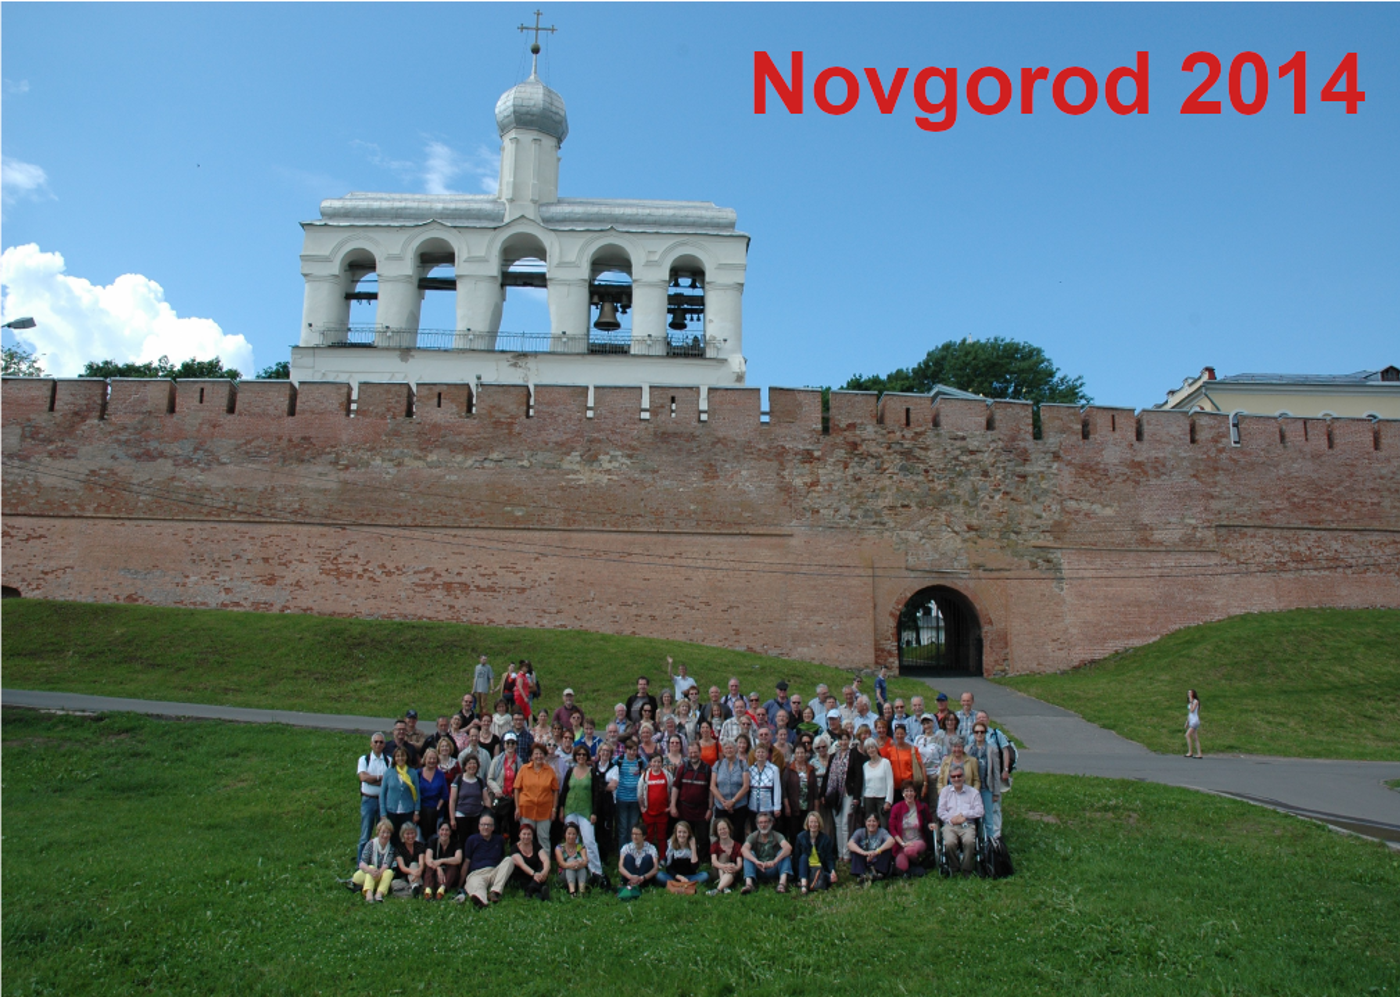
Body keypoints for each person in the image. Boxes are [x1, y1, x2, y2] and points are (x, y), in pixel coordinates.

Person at [558, 742, 605, 882]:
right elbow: (564, 791)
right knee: (572, 840)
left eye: (584, 755)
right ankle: (574, 869)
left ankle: (596, 871)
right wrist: (561, 808)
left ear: (587, 756)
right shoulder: (570, 771)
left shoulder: (592, 772)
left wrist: (594, 812)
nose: (581, 757)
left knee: (589, 841)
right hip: (570, 809)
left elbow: (596, 794)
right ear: (575, 756)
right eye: (578, 754)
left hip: (586, 810)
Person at [936, 763, 984, 875]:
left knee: (969, 841)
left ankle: (966, 868)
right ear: (950, 778)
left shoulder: (973, 792)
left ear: (964, 777)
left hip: (967, 824)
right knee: (949, 842)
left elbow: (980, 811)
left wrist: (964, 815)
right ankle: (954, 866)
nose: (956, 779)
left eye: (959, 776)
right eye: (953, 776)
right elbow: (940, 811)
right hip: (950, 824)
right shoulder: (945, 792)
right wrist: (952, 819)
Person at [459, 813, 514, 906]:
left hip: (493, 872)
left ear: (493, 827)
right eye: (483, 825)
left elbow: (502, 857)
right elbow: (467, 862)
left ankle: (495, 891)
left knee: (509, 860)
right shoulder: (472, 840)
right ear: (479, 827)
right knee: (477, 886)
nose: (486, 827)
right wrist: (460, 884)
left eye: (489, 825)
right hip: (477, 873)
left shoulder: (499, 839)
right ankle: (481, 901)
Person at [514, 743, 560, 855]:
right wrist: (517, 808)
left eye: (541, 754)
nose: (538, 756)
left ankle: (545, 863)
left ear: (544, 756)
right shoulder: (524, 769)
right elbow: (516, 789)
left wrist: (554, 809)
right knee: (526, 837)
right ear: (532, 756)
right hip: (526, 810)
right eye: (536, 754)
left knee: (543, 837)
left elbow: (555, 790)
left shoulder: (550, 771)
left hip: (544, 811)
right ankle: (525, 860)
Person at [673, 741, 713, 860]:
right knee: (685, 835)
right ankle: (686, 857)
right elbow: (676, 787)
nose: (693, 755)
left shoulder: (707, 769)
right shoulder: (682, 768)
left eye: (695, 752)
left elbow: (711, 790)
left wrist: (710, 808)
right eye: (691, 753)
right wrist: (673, 805)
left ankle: (703, 860)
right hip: (684, 809)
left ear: (700, 753)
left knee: (703, 837)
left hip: (702, 809)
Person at [356, 732, 390, 865]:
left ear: (384, 745)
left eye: (381, 742)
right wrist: (380, 778)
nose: (378, 744)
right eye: (376, 742)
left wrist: (372, 779)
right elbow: (363, 778)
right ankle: (360, 865)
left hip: (383, 802)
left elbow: (388, 781)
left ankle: (379, 863)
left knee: (382, 833)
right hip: (368, 800)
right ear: (371, 744)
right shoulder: (364, 759)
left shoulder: (389, 760)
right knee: (365, 834)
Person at [824, 730, 859, 860]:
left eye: (845, 739)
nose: (843, 742)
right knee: (837, 823)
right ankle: (840, 854)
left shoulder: (853, 755)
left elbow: (858, 776)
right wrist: (823, 794)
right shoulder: (833, 756)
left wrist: (857, 796)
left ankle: (847, 853)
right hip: (835, 794)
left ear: (849, 741)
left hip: (848, 793)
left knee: (845, 823)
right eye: (841, 739)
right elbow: (827, 775)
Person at [740, 811, 793, 894]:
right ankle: (749, 885)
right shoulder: (753, 836)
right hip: (759, 868)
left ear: (771, 823)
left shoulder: (777, 835)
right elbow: (744, 849)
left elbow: (788, 848)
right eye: (761, 823)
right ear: (757, 824)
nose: (763, 825)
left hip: (773, 868)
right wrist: (756, 861)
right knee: (749, 854)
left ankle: (782, 884)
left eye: (765, 822)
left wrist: (775, 861)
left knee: (784, 854)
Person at [888, 781, 931, 877]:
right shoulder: (896, 808)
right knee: (901, 867)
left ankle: (916, 862)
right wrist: (903, 844)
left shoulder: (922, 806)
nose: (909, 794)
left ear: (915, 793)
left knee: (909, 851)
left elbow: (929, 821)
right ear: (903, 793)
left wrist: (931, 825)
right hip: (903, 844)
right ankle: (915, 865)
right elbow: (892, 828)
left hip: (918, 840)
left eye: (911, 791)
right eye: (906, 791)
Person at [969, 722, 1004, 839]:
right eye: (976, 732)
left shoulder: (992, 750)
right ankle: (975, 841)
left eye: (982, 732)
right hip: (972, 789)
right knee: (972, 818)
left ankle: (990, 842)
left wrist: (996, 792)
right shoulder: (968, 749)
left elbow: (996, 772)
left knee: (988, 818)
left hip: (986, 788)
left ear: (985, 733)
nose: (979, 734)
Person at [711, 738, 751, 840]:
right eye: (726, 748)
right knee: (722, 835)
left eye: (731, 748)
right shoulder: (718, 764)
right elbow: (712, 786)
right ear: (723, 751)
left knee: (738, 835)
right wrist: (724, 802)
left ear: (736, 749)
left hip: (739, 806)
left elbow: (746, 786)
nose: (729, 750)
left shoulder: (743, 764)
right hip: (721, 807)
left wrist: (733, 801)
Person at [486, 731, 521, 841]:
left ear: (516, 745)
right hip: (499, 798)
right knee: (497, 826)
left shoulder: (519, 762)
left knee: (513, 827)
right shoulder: (496, 760)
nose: (510, 745)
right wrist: (497, 790)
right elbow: (490, 778)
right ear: (504, 744)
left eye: (513, 743)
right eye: (508, 743)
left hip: (512, 799)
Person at [449, 753, 491, 840]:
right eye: (469, 763)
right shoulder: (458, 780)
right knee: (463, 841)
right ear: (465, 766)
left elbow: (486, 799)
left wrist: (488, 815)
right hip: (461, 816)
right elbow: (452, 801)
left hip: (477, 816)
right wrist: (452, 819)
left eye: (474, 763)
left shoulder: (480, 782)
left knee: (476, 840)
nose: (472, 766)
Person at [658, 820, 709, 890]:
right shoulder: (671, 846)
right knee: (659, 875)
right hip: (675, 877)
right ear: (676, 833)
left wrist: (693, 848)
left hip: (689, 877)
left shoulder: (693, 846)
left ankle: (676, 886)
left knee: (705, 875)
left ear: (688, 833)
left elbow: (695, 867)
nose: (682, 835)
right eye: (679, 832)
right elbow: (669, 868)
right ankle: (685, 886)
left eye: (684, 832)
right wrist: (680, 877)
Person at [380, 746, 420, 836]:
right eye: (398, 756)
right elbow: (382, 794)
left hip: (408, 811)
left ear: (406, 757)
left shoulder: (412, 773)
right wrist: (383, 814)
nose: (400, 758)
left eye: (402, 756)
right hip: (391, 811)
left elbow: (417, 793)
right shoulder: (388, 773)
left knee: (406, 835)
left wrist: (416, 812)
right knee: (392, 836)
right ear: (394, 758)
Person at [354, 818, 396, 903]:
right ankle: (369, 895)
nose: (385, 835)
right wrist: (371, 870)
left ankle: (379, 894)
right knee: (371, 867)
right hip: (364, 874)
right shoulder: (371, 844)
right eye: (383, 832)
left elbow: (386, 865)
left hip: (379, 876)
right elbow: (362, 864)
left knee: (389, 872)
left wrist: (378, 873)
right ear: (378, 833)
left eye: (388, 832)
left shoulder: (391, 848)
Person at [782, 744, 817, 844]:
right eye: (797, 753)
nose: (800, 755)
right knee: (794, 833)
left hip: (807, 806)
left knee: (806, 831)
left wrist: (816, 808)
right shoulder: (789, 769)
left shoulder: (811, 769)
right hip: (793, 806)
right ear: (794, 754)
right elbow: (784, 789)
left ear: (806, 754)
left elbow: (815, 789)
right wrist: (787, 806)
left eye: (802, 753)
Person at [794, 810, 836, 894]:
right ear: (807, 823)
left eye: (815, 822)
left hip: (820, 868)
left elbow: (829, 858)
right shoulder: (800, 837)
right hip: (805, 867)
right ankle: (804, 885)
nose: (813, 824)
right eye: (811, 822)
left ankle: (807, 882)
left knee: (831, 879)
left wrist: (832, 871)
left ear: (819, 823)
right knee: (803, 857)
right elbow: (796, 858)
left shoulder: (826, 839)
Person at [639, 751, 674, 851]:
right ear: (650, 763)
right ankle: (648, 855)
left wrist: (671, 805)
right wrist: (641, 806)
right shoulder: (645, 776)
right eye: (654, 761)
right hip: (648, 812)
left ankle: (663, 856)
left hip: (663, 811)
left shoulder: (667, 775)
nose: (656, 764)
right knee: (648, 835)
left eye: (659, 762)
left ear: (662, 763)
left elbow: (672, 791)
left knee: (662, 836)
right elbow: (640, 792)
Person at [612, 739, 645, 842]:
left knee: (633, 826)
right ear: (625, 750)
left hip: (635, 798)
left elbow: (646, 769)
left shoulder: (640, 761)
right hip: (622, 798)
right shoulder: (619, 760)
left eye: (634, 750)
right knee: (623, 827)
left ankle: (633, 848)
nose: (632, 752)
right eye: (630, 750)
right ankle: (623, 849)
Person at [848, 813, 895, 882]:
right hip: (864, 859)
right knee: (855, 849)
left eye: (874, 821)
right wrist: (865, 853)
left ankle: (879, 873)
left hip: (877, 859)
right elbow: (850, 844)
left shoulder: (882, 832)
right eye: (869, 821)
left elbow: (891, 841)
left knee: (887, 849)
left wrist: (876, 852)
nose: (871, 824)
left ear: (878, 822)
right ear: (865, 822)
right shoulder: (859, 832)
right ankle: (861, 875)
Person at [423, 821, 463, 900]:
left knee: (453, 867)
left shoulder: (456, 843)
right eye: (442, 830)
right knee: (429, 868)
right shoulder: (433, 842)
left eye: (447, 830)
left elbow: (458, 859)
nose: (444, 832)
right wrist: (438, 868)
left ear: (450, 832)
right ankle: (428, 891)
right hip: (436, 872)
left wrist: (441, 861)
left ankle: (441, 891)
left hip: (449, 875)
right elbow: (428, 859)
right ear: (438, 831)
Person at [860, 737, 894, 828]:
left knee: (884, 825)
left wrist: (888, 801)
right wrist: (862, 802)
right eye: (868, 748)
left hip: (882, 798)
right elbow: (864, 785)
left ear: (876, 748)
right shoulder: (865, 766)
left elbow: (890, 783)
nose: (871, 750)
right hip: (868, 798)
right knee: (870, 825)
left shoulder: (885, 763)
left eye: (872, 747)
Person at [511, 823, 551, 901]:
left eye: (529, 834)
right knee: (534, 880)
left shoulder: (537, 846)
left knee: (541, 869)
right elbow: (522, 865)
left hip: (537, 875)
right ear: (519, 835)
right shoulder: (514, 848)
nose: (526, 836)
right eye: (524, 834)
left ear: (532, 835)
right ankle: (538, 893)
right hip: (522, 875)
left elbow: (545, 859)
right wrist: (534, 874)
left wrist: (545, 872)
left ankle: (530, 892)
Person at [747, 743, 783, 828]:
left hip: (768, 807)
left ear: (767, 754)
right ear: (755, 754)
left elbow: (777, 789)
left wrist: (777, 806)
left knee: (767, 828)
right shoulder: (750, 769)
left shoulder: (774, 769)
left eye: (763, 752)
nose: (760, 754)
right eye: (758, 752)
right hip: (753, 807)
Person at [618, 824, 659, 894]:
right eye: (633, 834)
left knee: (648, 857)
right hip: (630, 875)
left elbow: (655, 868)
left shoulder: (651, 848)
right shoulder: (626, 847)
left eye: (637, 834)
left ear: (644, 836)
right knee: (628, 857)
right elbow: (620, 867)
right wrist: (631, 877)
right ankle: (633, 883)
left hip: (644, 876)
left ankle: (638, 884)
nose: (634, 836)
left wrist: (643, 878)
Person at [416, 747, 448, 838]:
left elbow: (445, 794)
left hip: (437, 811)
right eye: (430, 758)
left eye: (434, 759)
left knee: (435, 837)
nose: (432, 761)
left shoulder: (440, 774)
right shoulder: (418, 773)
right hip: (421, 811)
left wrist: (437, 808)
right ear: (425, 759)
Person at [707, 817, 743, 895]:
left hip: (732, 872)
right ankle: (724, 886)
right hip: (717, 872)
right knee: (724, 856)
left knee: (731, 866)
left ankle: (718, 889)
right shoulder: (715, 845)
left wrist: (734, 868)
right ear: (717, 832)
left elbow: (739, 864)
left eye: (724, 828)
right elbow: (714, 862)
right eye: (720, 829)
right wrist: (724, 866)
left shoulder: (737, 845)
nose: (723, 831)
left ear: (729, 829)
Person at [392, 822, 427, 898]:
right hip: (405, 877)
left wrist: (419, 871)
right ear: (403, 835)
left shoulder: (420, 846)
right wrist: (412, 872)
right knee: (394, 883)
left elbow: (421, 863)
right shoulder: (399, 848)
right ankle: (415, 891)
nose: (410, 836)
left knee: (413, 864)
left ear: (415, 834)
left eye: (412, 833)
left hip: (418, 875)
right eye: (407, 834)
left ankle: (414, 887)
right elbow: (402, 867)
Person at [555, 822, 589, 897]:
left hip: (579, 873)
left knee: (580, 860)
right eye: (569, 834)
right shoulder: (559, 848)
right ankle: (572, 891)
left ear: (576, 836)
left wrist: (579, 863)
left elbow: (585, 861)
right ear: (565, 835)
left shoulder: (580, 846)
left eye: (574, 834)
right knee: (570, 860)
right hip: (564, 876)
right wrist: (571, 864)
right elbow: (561, 863)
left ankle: (582, 891)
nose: (571, 836)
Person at [1186, 689, 1203, 758]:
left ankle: (1190, 752)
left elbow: (1192, 710)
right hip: (1192, 721)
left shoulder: (1195, 701)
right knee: (1195, 738)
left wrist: (1191, 702)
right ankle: (1199, 753)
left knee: (1187, 735)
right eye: (1188, 693)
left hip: (1195, 721)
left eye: (1190, 693)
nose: (1189, 694)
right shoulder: (1191, 702)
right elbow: (1189, 714)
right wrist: (1187, 722)